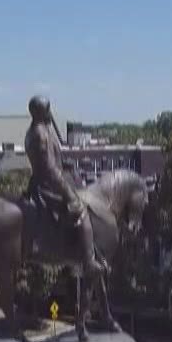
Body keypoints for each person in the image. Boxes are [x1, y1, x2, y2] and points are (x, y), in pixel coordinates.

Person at [24, 95, 103, 274]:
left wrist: (66, 165)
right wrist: (68, 193)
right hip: (47, 186)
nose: (50, 113)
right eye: (48, 109)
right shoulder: (41, 134)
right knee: (81, 210)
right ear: (43, 111)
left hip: (43, 180)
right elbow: (50, 169)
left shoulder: (37, 130)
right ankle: (89, 262)